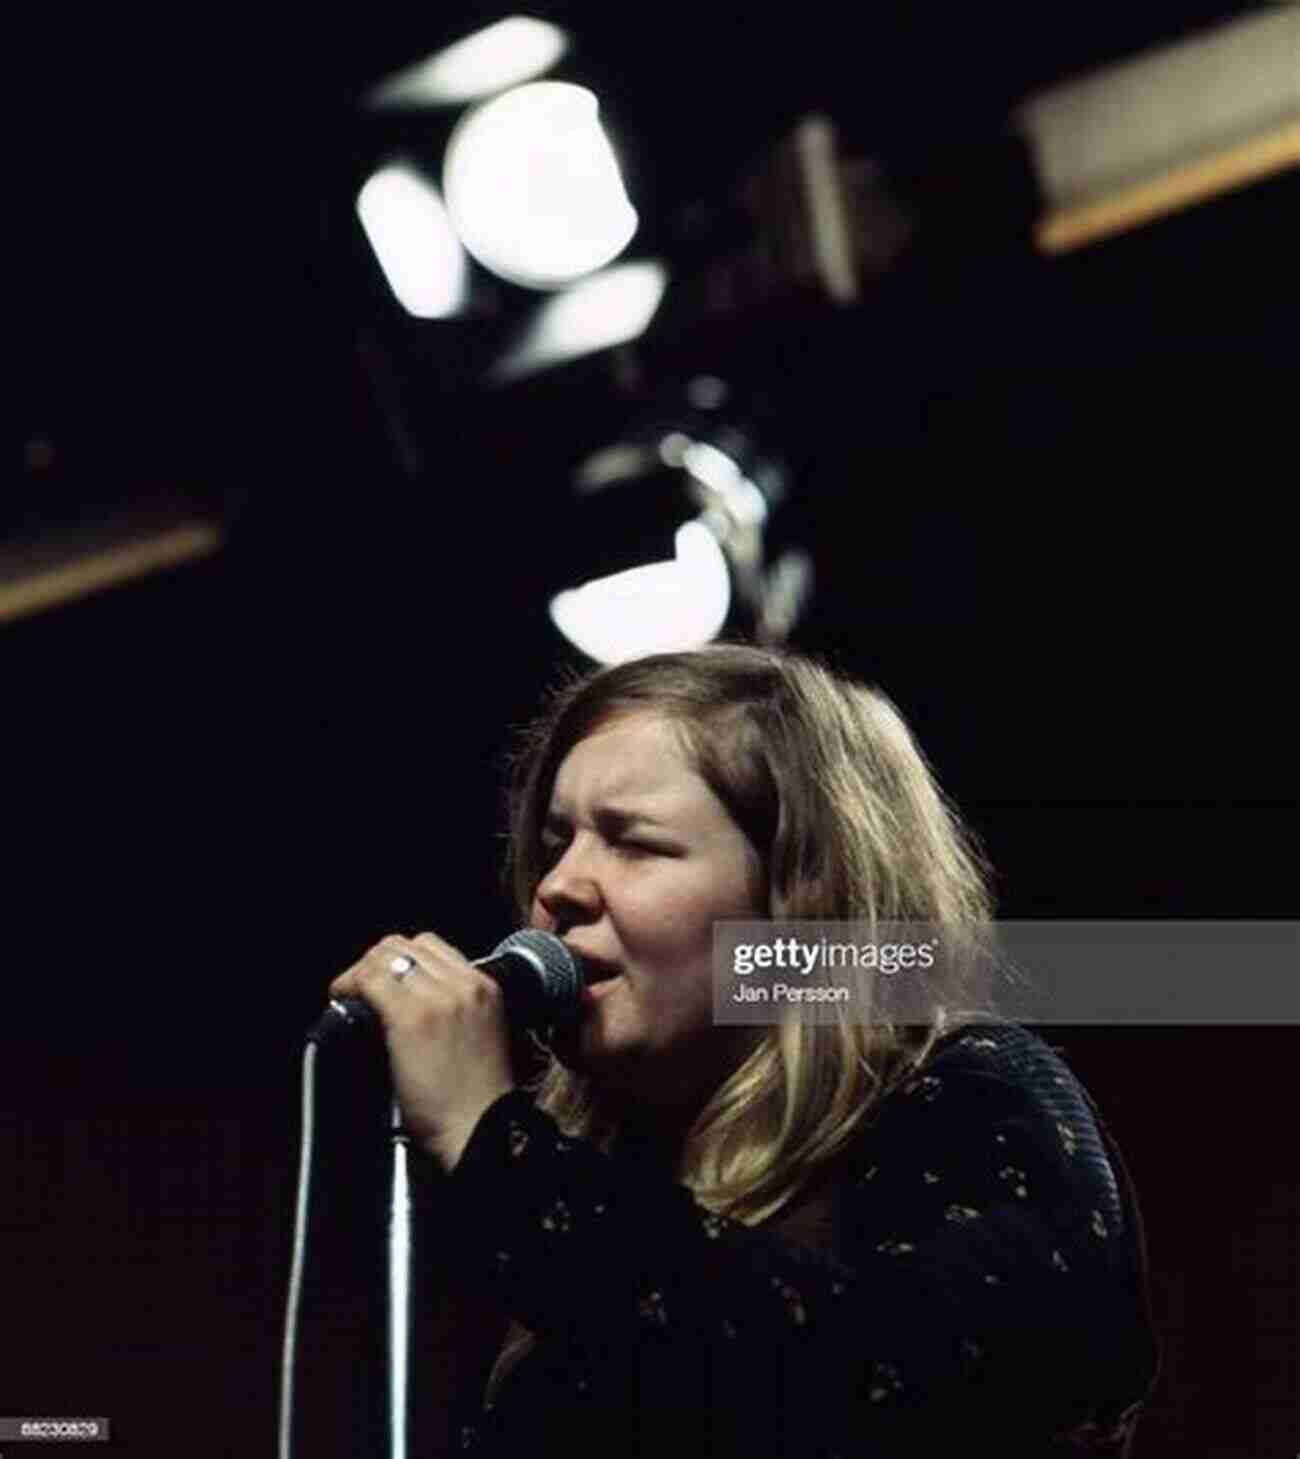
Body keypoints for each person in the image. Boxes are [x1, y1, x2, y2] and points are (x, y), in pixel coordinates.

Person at [327, 642, 1161, 1457]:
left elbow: (887, 1380)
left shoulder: (972, 1096)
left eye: (633, 841)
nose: (558, 887)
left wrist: (493, 1142)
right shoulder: (620, 1174)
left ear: (800, 901)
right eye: (555, 843)